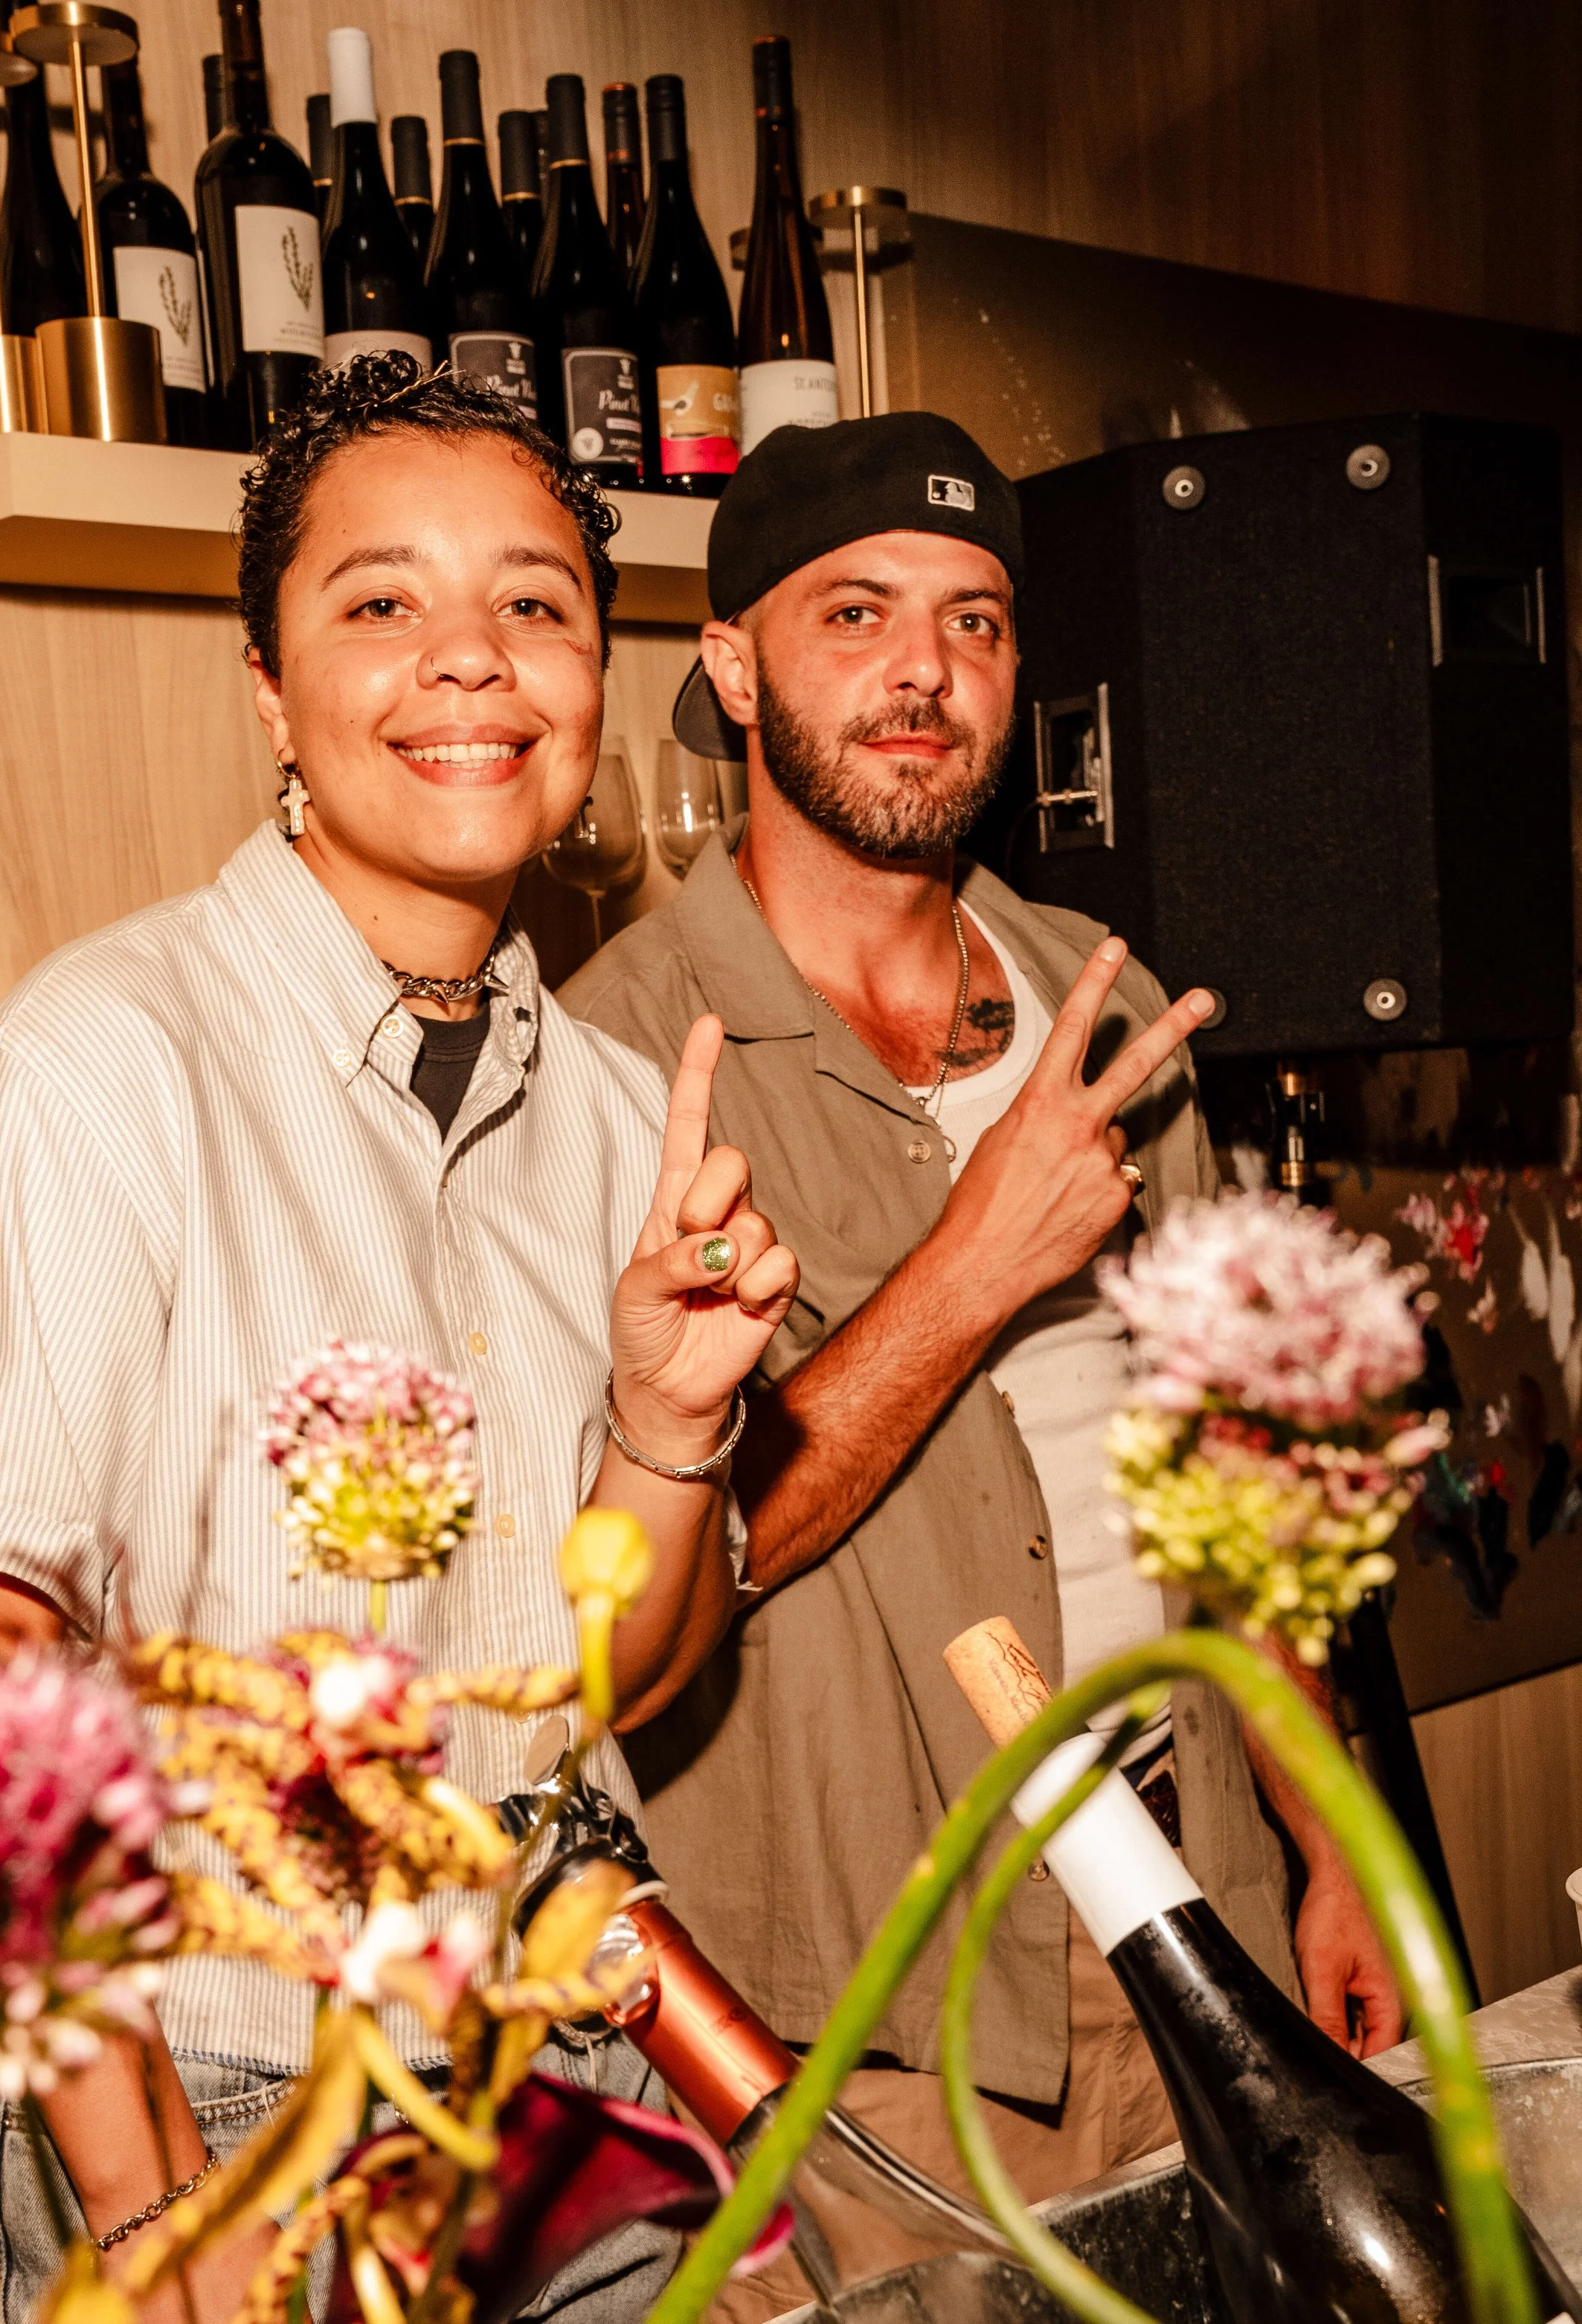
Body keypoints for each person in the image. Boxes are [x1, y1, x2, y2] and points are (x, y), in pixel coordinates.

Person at [0, 353, 798, 2324]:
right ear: (268, 685)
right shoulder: (101, 1063)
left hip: (539, 2087)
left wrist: (668, 1427)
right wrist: (145, 2199)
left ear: (593, 683)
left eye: (533, 601)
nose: (471, 661)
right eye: (382, 603)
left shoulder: (625, 1123)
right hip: (189, 2093)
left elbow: (611, 1680)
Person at [562, 411, 1404, 2303]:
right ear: (730, 663)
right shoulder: (617, 1062)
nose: (922, 671)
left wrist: (1324, 1836)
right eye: (851, 613)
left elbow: (1234, 1474)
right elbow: (650, 1580)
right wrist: (974, 1259)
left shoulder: (1099, 995)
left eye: (975, 621)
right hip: (893, 2013)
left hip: (1210, 1926)